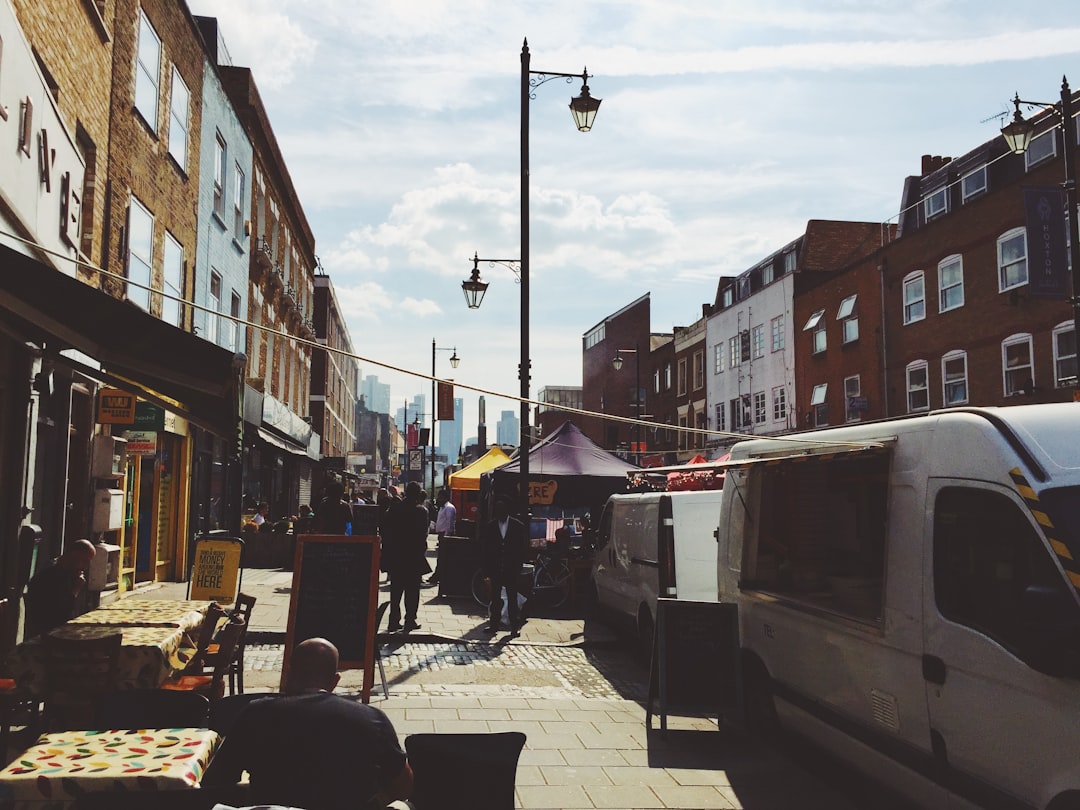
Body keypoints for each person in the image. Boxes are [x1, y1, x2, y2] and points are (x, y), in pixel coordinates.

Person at [203, 638, 412, 810]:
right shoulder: (372, 719)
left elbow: (218, 781)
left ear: (288, 674)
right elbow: (402, 786)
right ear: (335, 681)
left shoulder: (256, 713)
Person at [25, 539, 96, 637]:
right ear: (74, 555)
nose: (85, 567)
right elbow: (62, 613)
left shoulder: (65, 571)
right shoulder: (53, 575)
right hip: (48, 633)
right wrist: (76, 589)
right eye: (84, 561)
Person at [479, 497, 530, 634]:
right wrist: (486, 569)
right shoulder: (491, 526)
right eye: (497, 510)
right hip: (495, 568)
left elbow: (522, 548)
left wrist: (518, 566)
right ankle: (494, 625)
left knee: (512, 598)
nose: (499, 513)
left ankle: (514, 626)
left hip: (511, 569)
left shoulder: (517, 526)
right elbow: (486, 549)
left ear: (507, 511)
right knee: (495, 599)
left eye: (501, 510)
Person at [385, 482, 430, 632]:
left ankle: (393, 621)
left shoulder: (393, 509)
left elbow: (386, 533)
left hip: (396, 556)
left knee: (396, 591)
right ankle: (410, 620)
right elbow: (423, 535)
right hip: (413, 557)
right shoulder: (421, 511)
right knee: (412, 591)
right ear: (417, 495)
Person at [423, 491, 457, 587]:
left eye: (440, 497)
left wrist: (446, 536)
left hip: (444, 535)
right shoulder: (442, 508)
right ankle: (437, 576)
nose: (438, 499)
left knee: (442, 557)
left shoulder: (449, 508)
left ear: (445, 497)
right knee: (440, 557)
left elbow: (450, 524)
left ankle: (437, 577)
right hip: (440, 535)